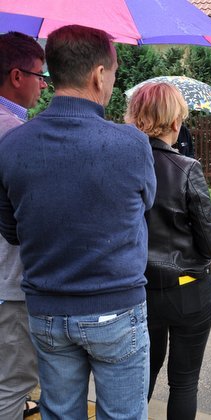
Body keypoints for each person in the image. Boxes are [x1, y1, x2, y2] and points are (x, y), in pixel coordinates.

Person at [0, 25, 156, 419]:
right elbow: (144, 206)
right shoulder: (132, 144)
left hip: (46, 311)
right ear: (99, 75)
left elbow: (11, 229)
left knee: (59, 413)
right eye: (114, 73)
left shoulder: (13, 144)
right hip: (116, 308)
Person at [124, 82, 211, 419]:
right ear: (175, 123)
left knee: (142, 378)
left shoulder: (122, 166)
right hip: (188, 290)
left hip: (139, 289)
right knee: (183, 383)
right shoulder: (186, 168)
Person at [0, 31, 47, 420]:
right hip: (10, 276)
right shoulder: (13, 134)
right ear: (17, 77)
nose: (44, 83)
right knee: (13, 382)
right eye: (39, 74)